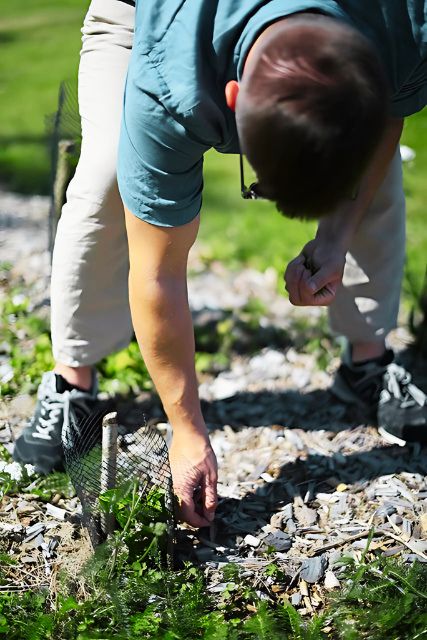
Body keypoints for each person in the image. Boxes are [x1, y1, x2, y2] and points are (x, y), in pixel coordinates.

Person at [14, 1, 427, 528]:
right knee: (106, 174)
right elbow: (157, 271)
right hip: (143, 14)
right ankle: (73, 385)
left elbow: (387, 117)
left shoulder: (402, 19)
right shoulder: (167, 82)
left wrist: (336, 236)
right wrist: (185, 428)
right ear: (230, 101)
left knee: (375, 166)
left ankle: (366, 363)